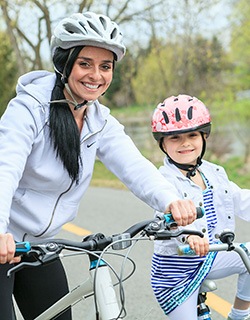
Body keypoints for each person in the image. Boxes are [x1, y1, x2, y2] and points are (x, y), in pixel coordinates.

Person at [0, 13, 197, 320]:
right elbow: (5, 170)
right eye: (85, 63)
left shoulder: (100, 121)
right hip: (3, 239)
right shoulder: (28, 111)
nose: (96, 75)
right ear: (64, 64)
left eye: (105, 66)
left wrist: (172, 202)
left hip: (40, 246)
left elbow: (135, 167)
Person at [150, 93, 250, 320]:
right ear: (162, 143)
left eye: (192, 135)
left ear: (204, 137)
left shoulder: (214, 173)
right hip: (176, 269)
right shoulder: (162, 180)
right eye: (174, 138)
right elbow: (168, 217)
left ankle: (239, 314)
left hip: (211, 255)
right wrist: (189, 236)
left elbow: (239, 199)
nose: (185, 143)